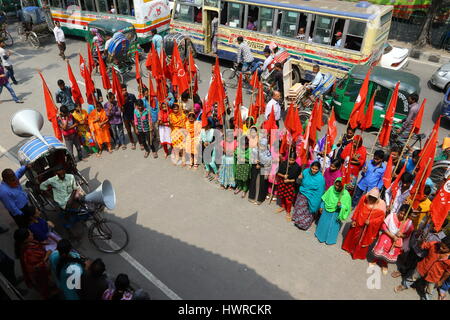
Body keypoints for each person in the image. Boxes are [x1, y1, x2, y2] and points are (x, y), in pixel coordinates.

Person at [342, 187, 386, 260]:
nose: (371, 200)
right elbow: (358, 209)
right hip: (358, 223)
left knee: (362, 240)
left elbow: (380, 220)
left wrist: (371, 222)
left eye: (374, 198)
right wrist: (354, 220)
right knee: (353, 237)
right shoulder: (364, 198)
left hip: (367, 227)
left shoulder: (381, 206)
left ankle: (357, 254)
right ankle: (349, 249)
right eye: (370, 197)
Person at [371, 204, 414, 275]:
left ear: (408, 215)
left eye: (404, 215)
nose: (401, 215)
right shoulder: (391, 216)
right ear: (399, 211)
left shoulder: (409, 223)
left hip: (396, 240)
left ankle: (384, 263)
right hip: (387, 236)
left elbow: (408, 234)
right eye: (401, 213)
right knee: (381, 248)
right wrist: (392, 235)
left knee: (389, 252)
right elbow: (384, 226)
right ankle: (375, 259)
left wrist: (402, 235)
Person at [14, 228, 54, 299]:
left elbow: (36, 243)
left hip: (42, 271)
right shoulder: (29, 253)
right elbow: (37, 267)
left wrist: (42, 243)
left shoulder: (26, 244)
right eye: (30, 234)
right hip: (40, 274)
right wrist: (47, 255)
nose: (32, 233)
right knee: (45, 286)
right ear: (26, 239)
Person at [315, 177, 352, 245]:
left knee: (331, 227)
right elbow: (325, 198)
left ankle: (329, 240)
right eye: (336, 185)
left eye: (339, 186)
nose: (337, 187)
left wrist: (341, 206)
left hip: (335, 213)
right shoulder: (331, 188)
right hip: (326, 211)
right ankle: (320, 236)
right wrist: (321, 206)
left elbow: (347, 207)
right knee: (323, 223)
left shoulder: (345, 194)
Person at [291, 161, 326, 230]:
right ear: (310, 167)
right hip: (302, 193)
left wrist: (316, 201)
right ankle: (297, 220)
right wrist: (300, 177)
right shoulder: (306, 172)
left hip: (312, 197)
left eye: (316, 169)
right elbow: (298, 182)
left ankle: (303, 225)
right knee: (299, 208)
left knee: (307, 211)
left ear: (319, 169)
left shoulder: (320, 179)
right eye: (313, 168)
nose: (314, 170)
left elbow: (320, 192)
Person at [248, 137, 272, 204]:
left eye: (263, 145)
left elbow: (268, 162)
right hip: (255, 168)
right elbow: (251, 158)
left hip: (263, 169)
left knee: (261, 184)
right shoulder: (255, 150)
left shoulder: (267, 153)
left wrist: (261, 164)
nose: (262, 147)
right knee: (253, 182)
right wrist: (255, 161)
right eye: (260, 145)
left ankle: (259, 199)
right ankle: (252, 197)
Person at [143, 87, 160, 158]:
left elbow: (158, 109)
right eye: (145, 93)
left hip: (155, 118)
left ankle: (157, 140)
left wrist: (159, 117)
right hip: (147, 120)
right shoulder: (143, 101)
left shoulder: (155, 99)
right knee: (150, 134)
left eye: (148, 92)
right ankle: (152, 148)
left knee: (156, 131)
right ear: (143, 94)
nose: (147, 94)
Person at [121, 84, 139, 149]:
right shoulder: (120, 99)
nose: (124, 91)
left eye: (125, 90)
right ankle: (132, 142)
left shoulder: (131, 96)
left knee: (136, 129)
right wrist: (122, 105)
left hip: (133, 116)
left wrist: (137, 111)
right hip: (125, 117)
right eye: (123, 90)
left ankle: (141, 142)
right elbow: (121, 110)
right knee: (128, 131)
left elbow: (136, 103)